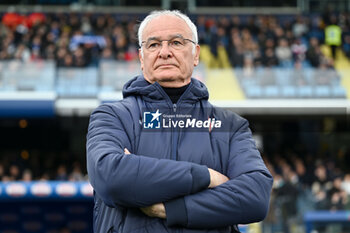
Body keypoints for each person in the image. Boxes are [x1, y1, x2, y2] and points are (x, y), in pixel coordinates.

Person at [86, 10, 273, 233]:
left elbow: (255, 198)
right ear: (141, 57)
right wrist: (207, 177)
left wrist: (171, 209)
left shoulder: (230, 126)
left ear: (195, 54)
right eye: (153, 45)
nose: (164, 52)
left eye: (176, 42)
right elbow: (111, 178)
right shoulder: (111, 117)